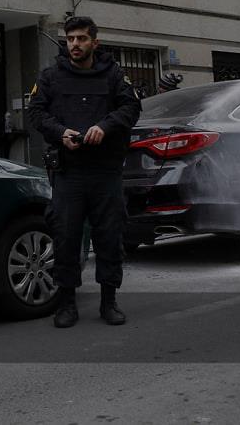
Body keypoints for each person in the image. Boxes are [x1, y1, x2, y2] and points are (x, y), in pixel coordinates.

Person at [27, 16, 141, 328]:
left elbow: (131, 108)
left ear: (94, 42)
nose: (75, 44)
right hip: (69, 172)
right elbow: (36, 112)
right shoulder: (51, 76)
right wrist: (60, 132)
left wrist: (104, 127)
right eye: (70, 39)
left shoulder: (114, 74)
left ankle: (109, 302)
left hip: (105, 172)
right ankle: (66, 304)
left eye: (81, 39)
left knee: (109, 236)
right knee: (65, 237)